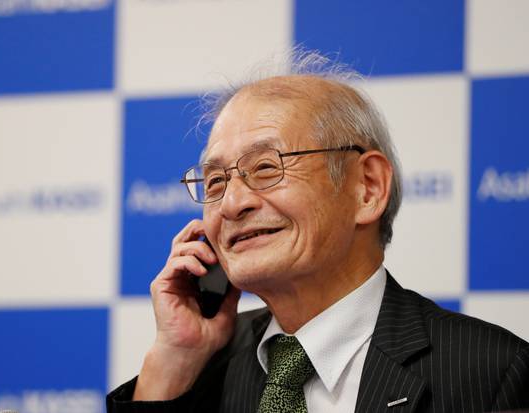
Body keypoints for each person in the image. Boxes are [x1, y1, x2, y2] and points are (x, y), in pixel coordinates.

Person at [107, 51, 529, 412]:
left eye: (266, 168)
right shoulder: (200, 365)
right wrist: (173, 361)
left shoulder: (490, 372)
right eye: (216, 182)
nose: (233, 204)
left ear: (368, 188)